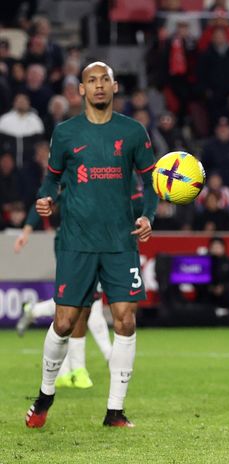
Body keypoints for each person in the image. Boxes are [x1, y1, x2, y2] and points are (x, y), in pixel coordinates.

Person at [24, 61, 157, 429]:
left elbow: (151, 183)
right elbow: (50, 182)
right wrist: (45, 200)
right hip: (77, 241)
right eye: (91, 81)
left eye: (105, 81)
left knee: (126, 320)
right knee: (64, 322)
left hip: (120, 242)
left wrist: (148, 216)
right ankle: (45, 395)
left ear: (115, 87)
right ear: (81, 90)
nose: (99, 86)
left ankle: (115, 411)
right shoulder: (65, 133)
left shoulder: (133, 132)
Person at [14, 202, 113, 389]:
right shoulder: (71, 180)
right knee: (75, 303)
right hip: (71, 244)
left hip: (93, 241)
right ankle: (75, 369)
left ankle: (33, 311)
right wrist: (27, 231)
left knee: (87, 302)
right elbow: (43, 198)